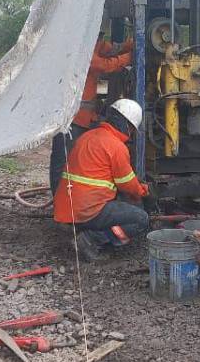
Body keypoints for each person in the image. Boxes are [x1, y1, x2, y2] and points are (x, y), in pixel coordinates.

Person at [53, 99, 158, 262]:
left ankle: (81, 230)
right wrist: (143, 191)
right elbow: (128, 185)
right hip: (86, 210)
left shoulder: (88, 136)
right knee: (140, 219)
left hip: (67, 209)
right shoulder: (116, 147)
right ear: (128, 126)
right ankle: (92, 239)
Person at [48, 34, 135, 194]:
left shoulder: (90, 42)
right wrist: (129, 57)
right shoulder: (78, 48)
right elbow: (102, 65)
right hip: (70, 118)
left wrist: (130, 44)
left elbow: (108, 49)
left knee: (78, 159)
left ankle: (73, 201)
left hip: (82, 118)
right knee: (63, 161)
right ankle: (60, 202)